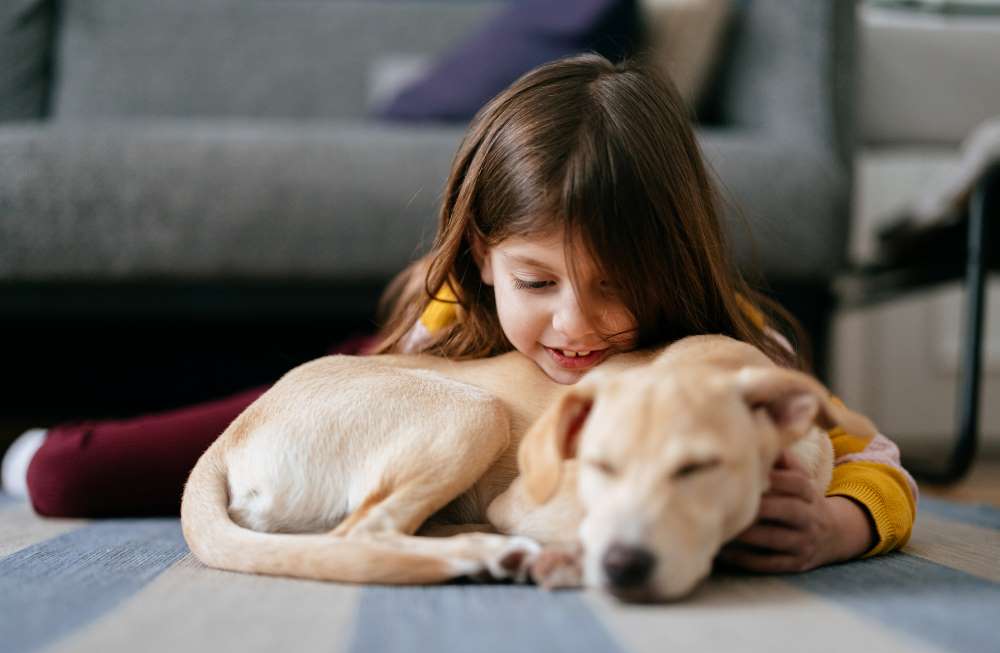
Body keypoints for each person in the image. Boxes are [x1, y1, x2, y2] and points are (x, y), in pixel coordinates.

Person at [1, 55, 917, 573]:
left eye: (618, 282)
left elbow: (875, 459)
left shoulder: (736, 349)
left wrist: (838, 521)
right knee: (80, 482)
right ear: (485, 259)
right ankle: (41, 451)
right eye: (540, 280)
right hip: (415, 361)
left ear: (672, 264)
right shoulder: (458, 308)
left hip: (461, 398)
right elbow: (395, 395)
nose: (579, 325)